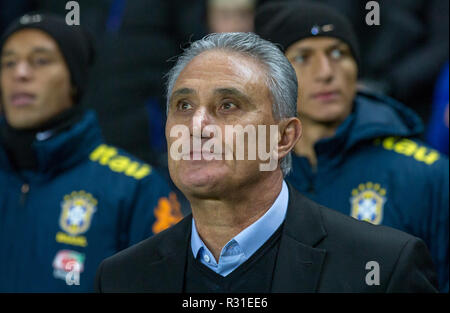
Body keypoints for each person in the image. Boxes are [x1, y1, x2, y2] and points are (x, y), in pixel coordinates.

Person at [95, 32, 438, 293]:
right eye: (183, 106)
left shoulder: (382, 266)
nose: (196, 127)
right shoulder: (120, 278)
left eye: (228, 105)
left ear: (284, 138)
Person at [254, 1, 449, 292]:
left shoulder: (427, 175)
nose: (326, 72)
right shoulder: (245, 175)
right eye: (303, 57)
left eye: (338, 53)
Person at [0, 13, 182, 292]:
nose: (19, 73)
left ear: (74, 80)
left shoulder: (136, 188)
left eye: (40, 61)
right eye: (8, 62)